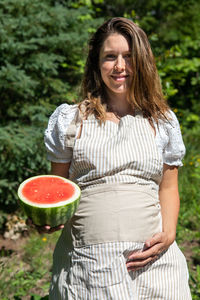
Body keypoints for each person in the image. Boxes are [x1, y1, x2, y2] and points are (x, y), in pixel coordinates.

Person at [42, 17, 191, 299]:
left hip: (155, 267)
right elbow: (56, 188)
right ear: (97, 64)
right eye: (110, 57)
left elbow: (169, 188)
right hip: (88, 268)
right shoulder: (71, 120)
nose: (120, 66)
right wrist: (47, 217)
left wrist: (169, 235)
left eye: (129, 57)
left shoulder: (161, 122)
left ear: (143, 62)